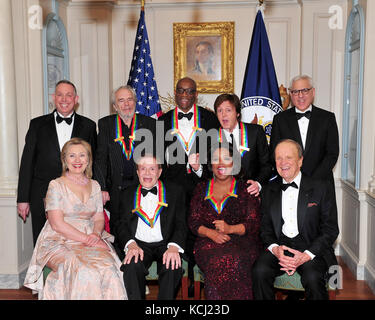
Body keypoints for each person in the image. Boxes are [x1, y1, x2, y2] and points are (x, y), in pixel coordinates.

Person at [23, 138, 127, 300]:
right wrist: (88, 239)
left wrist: (95, 235)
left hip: (92, 236)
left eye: (82, 155)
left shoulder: (95, 185)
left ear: (88, 160)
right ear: (64, 159)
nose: (77, 160)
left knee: (111, 269)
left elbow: (99, 218)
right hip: (58, 240)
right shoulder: (56, 185)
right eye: (72, 156)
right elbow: (57, 224)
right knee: (86, 271)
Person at [251, 139, 339, 300]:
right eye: (278, 158)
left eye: (289, 157)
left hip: (311, 248)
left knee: (313, 278)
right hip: (280, 246)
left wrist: (306, 255)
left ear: (300, 160)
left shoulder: (321, 188)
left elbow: (330, 229)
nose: (283, 162)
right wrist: (275, 249)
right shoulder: (269, 190)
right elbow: (264, 228)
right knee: (259, 271)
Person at [159, 77, 220, 295]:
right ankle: (180, 280)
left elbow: (216, 155)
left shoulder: (210, 119)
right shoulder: (162, 121)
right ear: (175, 93)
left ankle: (200, 279)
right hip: (172, 189)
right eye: (181, 91)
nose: (185, 95)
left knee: (201, 233)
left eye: (190, 91)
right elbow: (159, 160)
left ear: (196, 94)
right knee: (177, 231)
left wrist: (199, 169)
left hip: (202, 186)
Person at [17, 80, 97, 245]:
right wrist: (23, 198)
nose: (64, 99)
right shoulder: (37, 124)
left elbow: (94, 162)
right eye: (60, 95)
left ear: (76, 99)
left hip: (77, 196)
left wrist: (98, 191)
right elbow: (27, 162)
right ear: (54, 98)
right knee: (42, 241)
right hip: (41, 193)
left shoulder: (89, 126)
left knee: (74, 243)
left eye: (69, 95)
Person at [188, 143, 261, 299]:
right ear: (210, 164)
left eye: (226, 158)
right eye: (216, 159)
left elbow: (253, 223)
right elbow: (193, 222)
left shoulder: (246, 189)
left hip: (242, 242)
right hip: (207, 242)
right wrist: (211, 233)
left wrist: (230, 229)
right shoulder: (201, 188)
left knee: (234, 259)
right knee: (217, 259)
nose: (221, 163)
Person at [94, 85, 156, 254]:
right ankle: (120, 270)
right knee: (117, 229)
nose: (126, 104)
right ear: (115, 106)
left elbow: (156, 158)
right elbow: (100, 159)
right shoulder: (106, 124)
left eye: (130, 99)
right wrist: (102, 188)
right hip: (115, 188)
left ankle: (139, 263)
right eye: (121, 100)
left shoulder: (149, 124)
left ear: (136, 102)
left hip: (142, 187)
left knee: (139, 226)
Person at [114, 154, 187, 300]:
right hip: (139, 245)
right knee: (131, 266)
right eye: (143, 169)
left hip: (166, 244)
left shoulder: (175, 192)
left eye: (152, 169)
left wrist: (174, 247)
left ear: (159, 172)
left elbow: (181, 223)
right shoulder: (126, 194)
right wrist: (131, 244)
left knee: (172, 267)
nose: (147, 173)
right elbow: (120, 224)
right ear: (137, 172)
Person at [270, 75, 339, 190]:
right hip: (290, 184)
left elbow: (332, 154)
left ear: (313, 92)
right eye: (296, 92)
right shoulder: (280, 119)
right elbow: (274, 152)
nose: (300, 95)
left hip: (321, 184)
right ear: (291, 95)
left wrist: (313, 180)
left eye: (305, 90)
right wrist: (294, 178)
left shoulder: (328, 118)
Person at [214, 93, 272, 196]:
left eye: (228, 110)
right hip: (222, 197)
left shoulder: (255, 132)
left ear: (237, 113)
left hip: (251, 195)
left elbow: (266, 166)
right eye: (220, 111)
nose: (224, 115)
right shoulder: (211, 137)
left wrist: (257, 184)